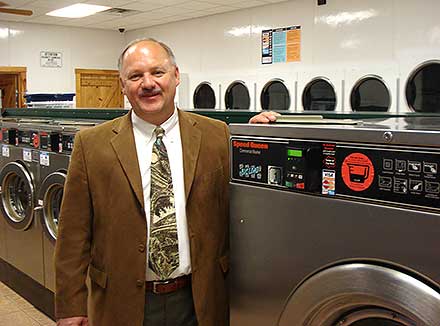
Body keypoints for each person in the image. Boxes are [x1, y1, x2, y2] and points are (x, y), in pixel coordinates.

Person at [55, 38, 275, 326]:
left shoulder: (216, 135)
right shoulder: (92, 144)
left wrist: (258, 139)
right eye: (135, 76)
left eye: (157, 72)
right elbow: (73, 234)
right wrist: (71, 306)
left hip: (200, 299)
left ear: (176, 76)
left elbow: (246, 196)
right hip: (122, 301)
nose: (148, 83)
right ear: (123, 85)